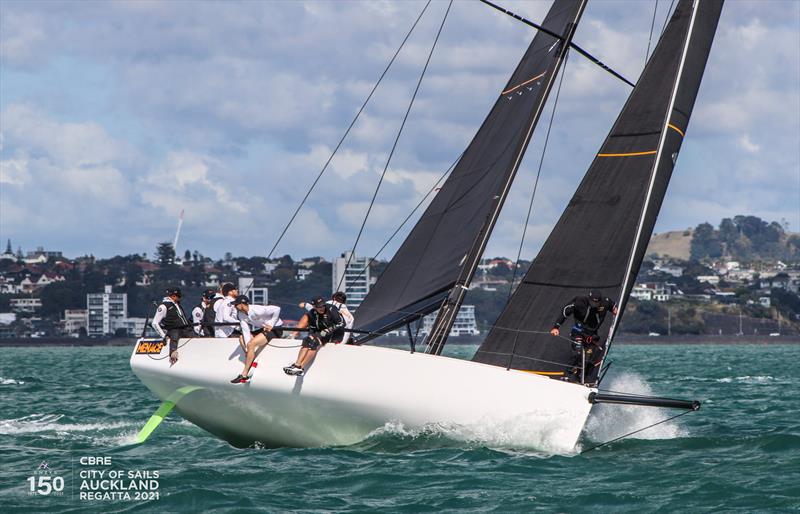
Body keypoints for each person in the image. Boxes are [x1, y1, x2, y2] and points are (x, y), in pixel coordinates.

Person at [550, 290, 618, 383]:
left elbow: (615, 307)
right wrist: (556, 327)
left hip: (592, 336)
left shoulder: (605, 301)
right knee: (577, 354)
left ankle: (578, 378)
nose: (594, 305)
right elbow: (565, 310)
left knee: (587, 359)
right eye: (592, 302)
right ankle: (566, 376)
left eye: (596, 303)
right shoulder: (580, 301)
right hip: (578, 332)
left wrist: (615, 310)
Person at [283, 296, 345, 376]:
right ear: (314, 307)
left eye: (323, 305)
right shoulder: (312, 313)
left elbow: (342, 323)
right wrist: (312, 334)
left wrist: (329, 330)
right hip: (321, 333)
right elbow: (313, 327)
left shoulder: (331, 309)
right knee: (307, 340)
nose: (322, 308)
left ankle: (301, 367)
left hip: (334, 334)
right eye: (319, 307)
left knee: (313, 343)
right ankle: (297, 365)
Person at [230, 296, 284, 384]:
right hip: (263, 329)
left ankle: (244, 375)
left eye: (236, 305)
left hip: (275, 329)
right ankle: (250, 359)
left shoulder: (257, 309)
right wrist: (248, 347)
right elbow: (245, 331)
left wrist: (271, 323)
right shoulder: (240, 314)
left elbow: (277, 309)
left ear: (242, 304)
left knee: (251, 344)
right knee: (242, 339)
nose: (234, 307)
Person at [151, 287, 195, 365]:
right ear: (173, 296)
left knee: (194, 336)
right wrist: (163, 336)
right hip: (173, 329)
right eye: (178, 296)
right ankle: (172, 354)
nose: (180, 298)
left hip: (185, 329)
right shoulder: (163, 306)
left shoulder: (177, 304)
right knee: (175, 334)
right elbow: (155, 323)